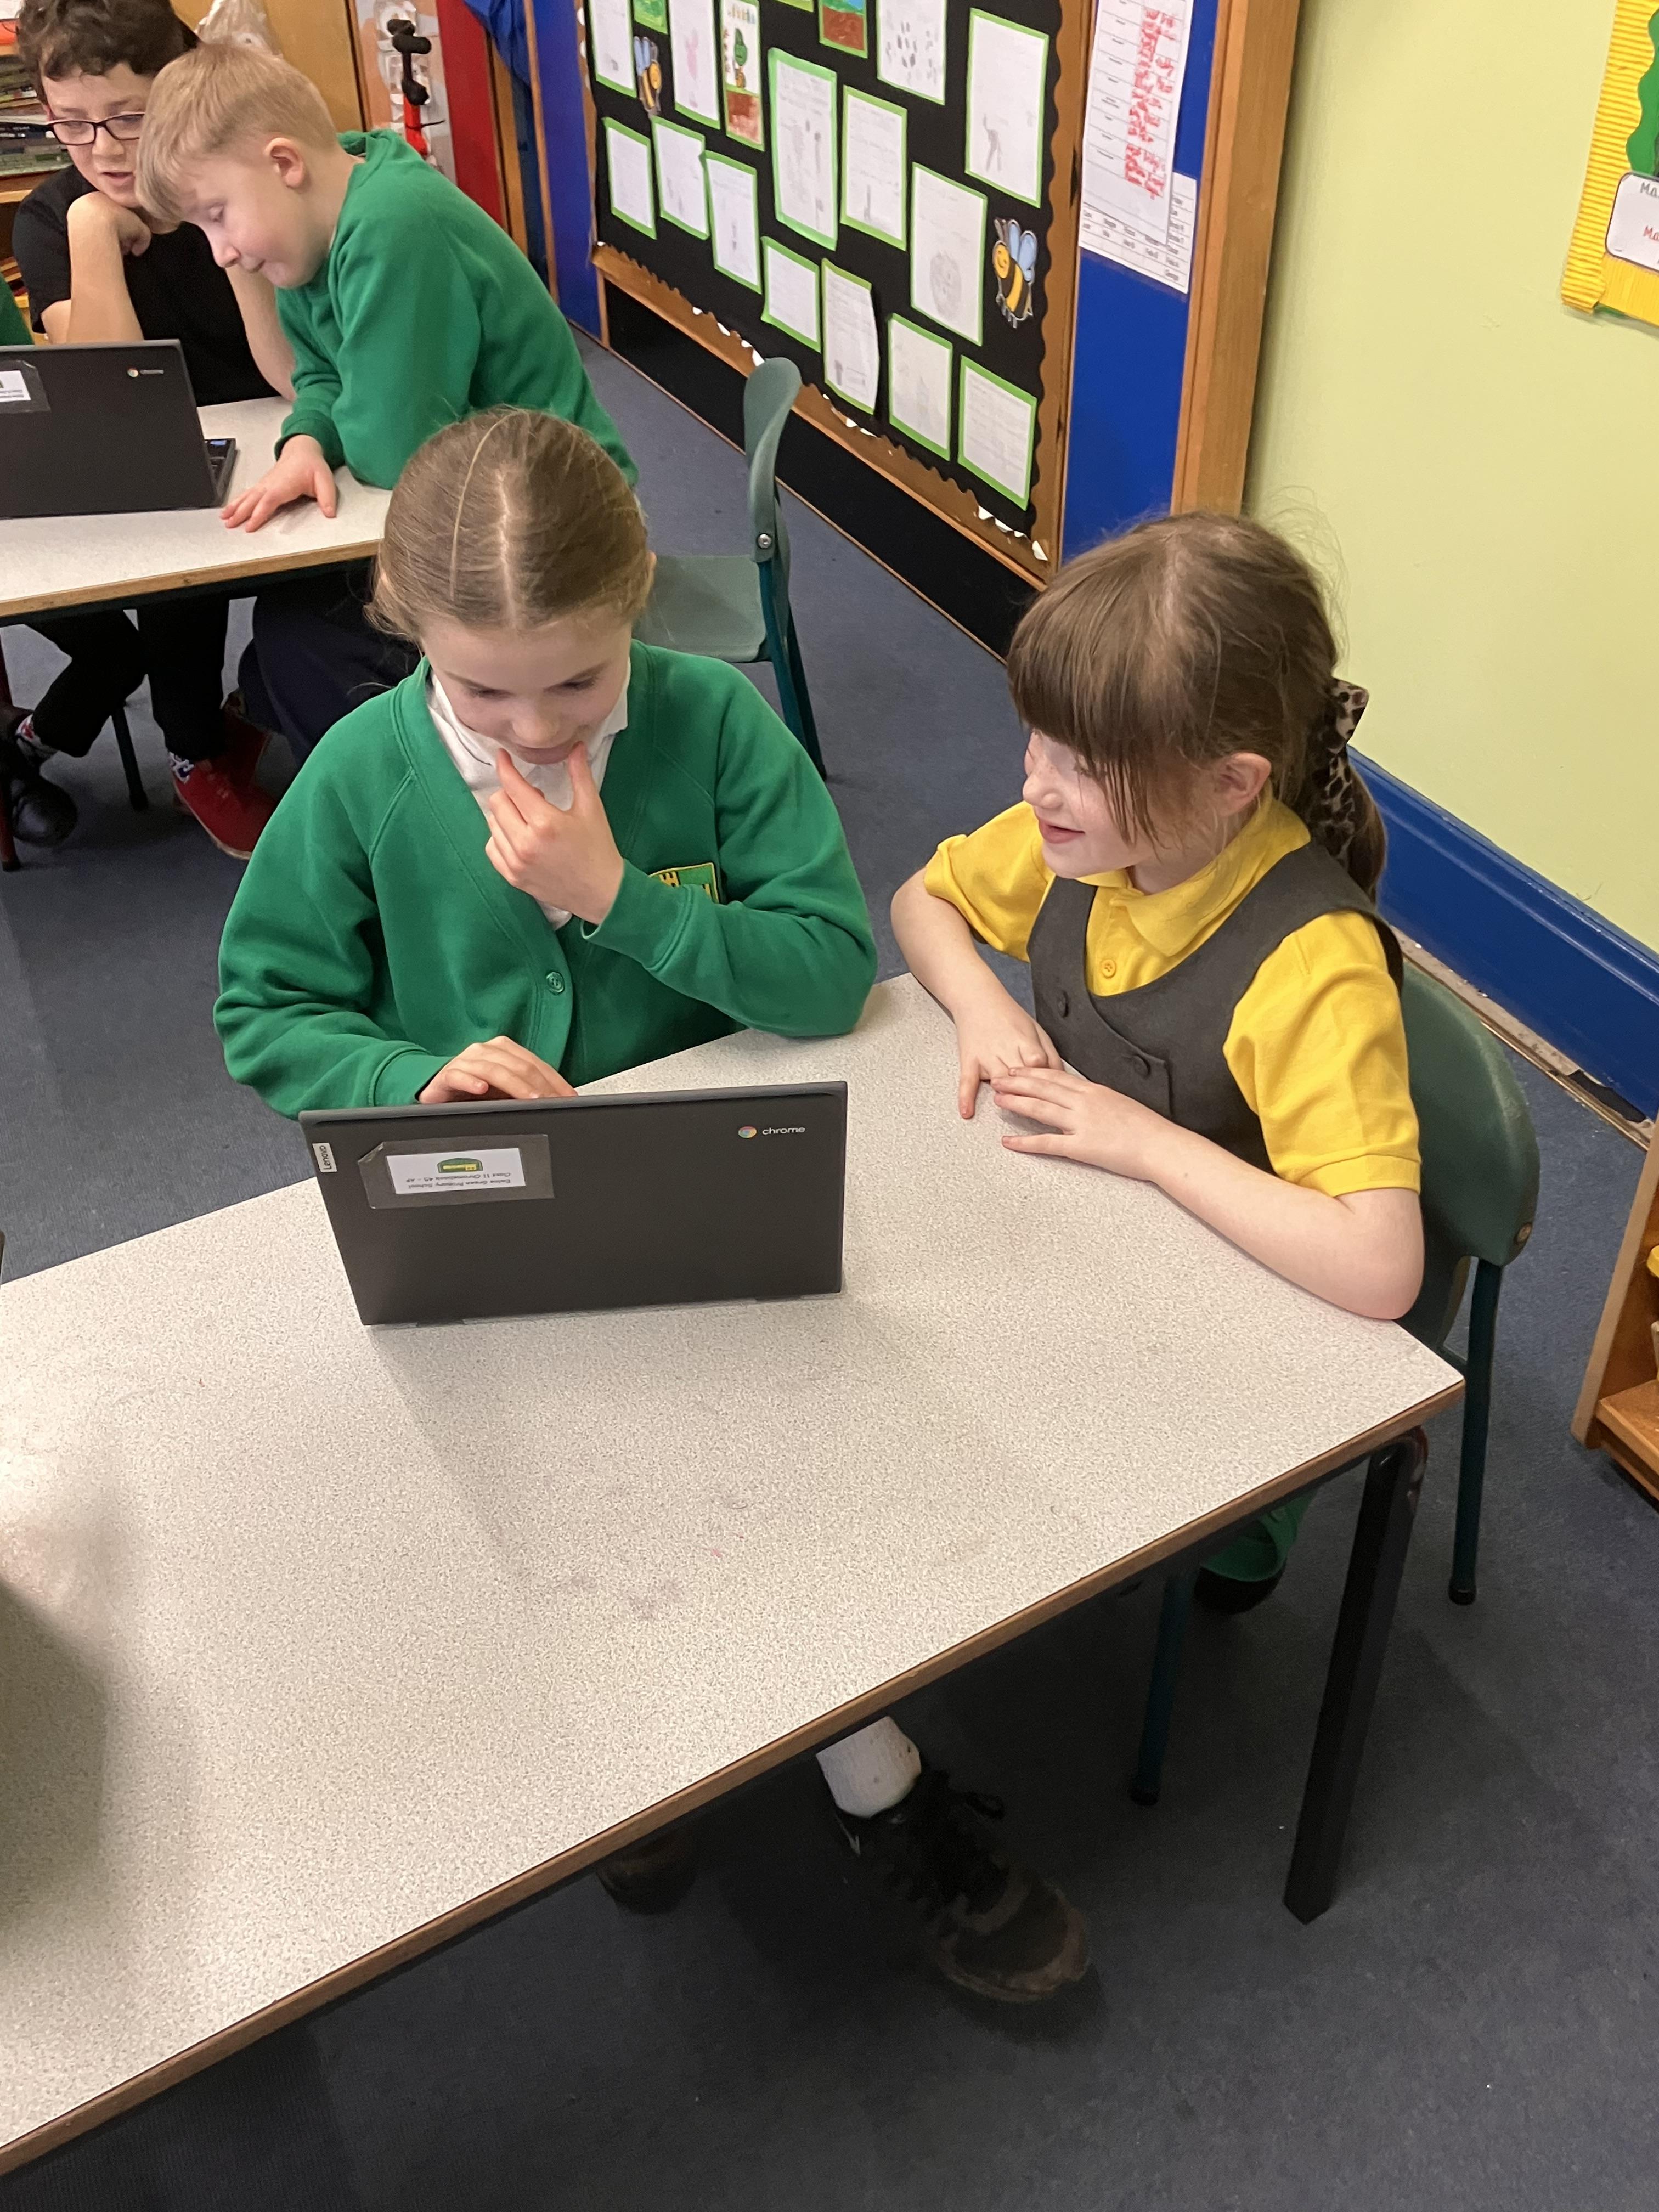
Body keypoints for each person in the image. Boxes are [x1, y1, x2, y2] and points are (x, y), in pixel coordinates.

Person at [216, 408, 1089, 2008]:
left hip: (706, 1188)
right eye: (483, 692)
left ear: (638, 614)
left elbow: (828, 974)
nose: (534, 730)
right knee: (557, 1494)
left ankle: (874, 1779)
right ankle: (650, 1753)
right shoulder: (360, 774)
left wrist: (619, 902)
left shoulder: (708, 722)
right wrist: (411, 1071)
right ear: (411, 637)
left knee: (786, 1473)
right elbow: (263, 1009)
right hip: (488, 1215)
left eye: (578, 682)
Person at [894, 511, 1424, 1612]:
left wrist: (1144, 1142)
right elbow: (922, 901)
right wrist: (982, 1007)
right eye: (1037, 742)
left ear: (1232, 784)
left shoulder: (1311, 966)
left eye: (1081, 767)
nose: (1036, 788)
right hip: (1094, 1247)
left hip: (1242, 1314)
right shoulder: (1097, 838)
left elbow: (1381, 1269)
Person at [134, 39, 634, 761]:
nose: (221, 253)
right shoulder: (310, 235)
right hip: (476, 497)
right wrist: (307, 440)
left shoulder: (393, 225)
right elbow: (318, 375)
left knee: (300, 645)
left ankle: (443, 797)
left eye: (217, 214)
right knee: (284, 641)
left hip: (554, 520)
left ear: (284, 163)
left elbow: (394, 450)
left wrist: (337, 424)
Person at [2, 0, 289, 858]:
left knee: (332, 597)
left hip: (285, 429)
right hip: (163, 459)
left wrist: (211, 211)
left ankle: (259, 704)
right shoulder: (53, 219)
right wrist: (94, 230)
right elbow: (110, 403)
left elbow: (287, 369)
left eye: (129, 118)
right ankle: (195, 752)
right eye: (72, 124)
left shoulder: (236, 179)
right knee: (177, 569)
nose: (104, 150)